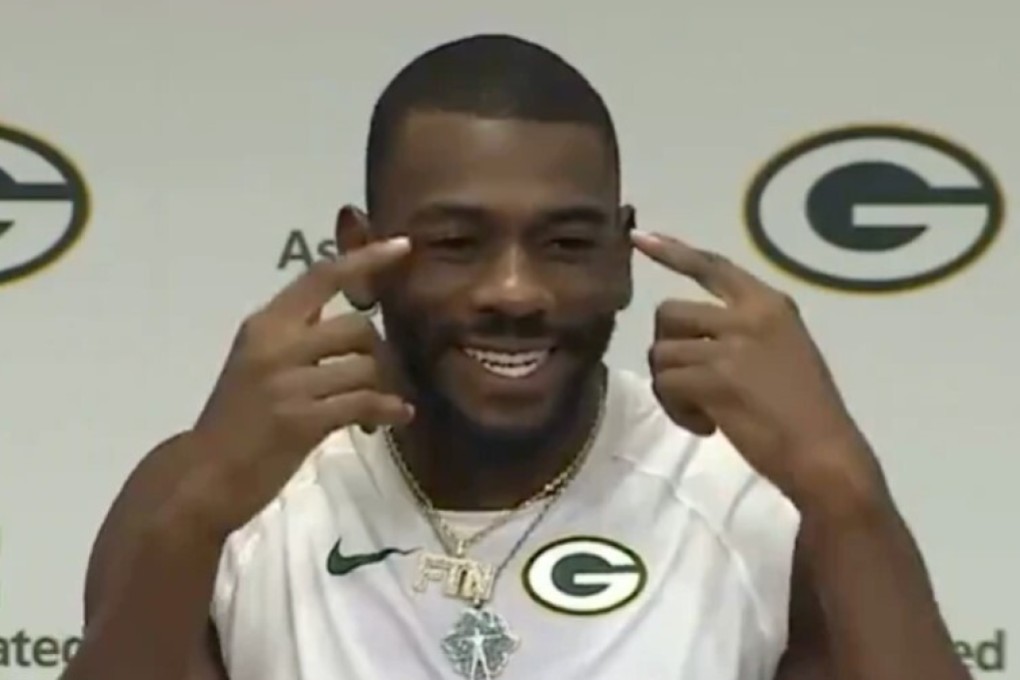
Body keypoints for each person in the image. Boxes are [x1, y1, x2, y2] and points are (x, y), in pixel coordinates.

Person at [61, 33, 969, 680]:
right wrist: (195, 513)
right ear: (359, 254)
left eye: (566, 243)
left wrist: (844, 487)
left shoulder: (757, 498)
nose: (514, 290)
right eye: (456, 242)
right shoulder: (211, 500)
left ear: (621, 258)